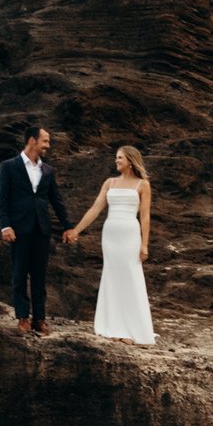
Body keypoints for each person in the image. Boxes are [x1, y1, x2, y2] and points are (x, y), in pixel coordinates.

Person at [63, 145, 156, 345]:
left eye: (120, 158)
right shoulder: (110, 183)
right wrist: (76, 230)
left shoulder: (143, 185)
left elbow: (145, 216)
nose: (116, 161)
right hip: (111, 234)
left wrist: (145, 245)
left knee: (130, 276)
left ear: (130, 161)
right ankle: (113, 326)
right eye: (116, 157)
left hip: (130, 234)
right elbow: (96, 208)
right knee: (113, 275)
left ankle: (132, 330)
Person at [0, 124, 71, 334]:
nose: (48, 145)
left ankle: (39, 318)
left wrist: (68, 227)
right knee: (19, 273)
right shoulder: (9, 166)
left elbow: (57, 200)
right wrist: (5, 226)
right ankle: (22, 317)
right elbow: (1, 200)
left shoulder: (47, 170)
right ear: (32, 141)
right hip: (18, 229)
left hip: (41, 229)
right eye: (45, 141)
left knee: (39, 275)